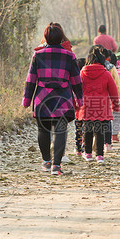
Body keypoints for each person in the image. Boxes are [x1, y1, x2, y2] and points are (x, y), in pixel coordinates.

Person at [23, 23, 83, 176]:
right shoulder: (69, 56)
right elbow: (76, 80)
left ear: (46, 37)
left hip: (42, 98)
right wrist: (80, 99)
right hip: (63, 98)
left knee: (43, 130)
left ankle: (46, 162)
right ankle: (56, 166)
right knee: (61, 131)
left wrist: (27, 99)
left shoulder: (38, 55)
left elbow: (31, 79)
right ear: (61, 37)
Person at [77, 46, 119, 163]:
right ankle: (99, 156)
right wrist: (115, 105)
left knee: (88, 130)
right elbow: (113, 91)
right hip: (102, 106)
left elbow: (77, 89)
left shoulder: (82, 73)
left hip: (87, 106)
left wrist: (77, 104)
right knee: (100, 131)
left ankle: (88, 154)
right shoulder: (106, 73)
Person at [102, 49, 120, 150]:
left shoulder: (85, 69)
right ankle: (107, 144)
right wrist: (117, 101)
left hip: (89, 101)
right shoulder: (110, 68)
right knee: (107, 121)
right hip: (106, 99)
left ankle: (87, 150)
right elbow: (116, 85)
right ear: (107, 57)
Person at [74, 57, 87, 156]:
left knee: (78, 130)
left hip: (77, 109)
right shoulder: (85, 76)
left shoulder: (74, 78)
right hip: (87, 107)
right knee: (86, 129)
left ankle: (78, 148)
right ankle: (85, 147)